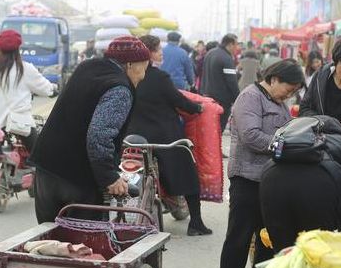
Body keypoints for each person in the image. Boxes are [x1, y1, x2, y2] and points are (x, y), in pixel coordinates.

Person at [31, 36, 151, 224]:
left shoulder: (86, 68)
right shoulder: (119, 88)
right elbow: (99, 137)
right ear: (130, 64)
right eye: (144, 67)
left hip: (46, 169)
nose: (144, 75)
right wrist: (110, 178)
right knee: (83, 246)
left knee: (49, 240)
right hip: (77, 178)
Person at [217, 59, 303, 268]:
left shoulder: (277, 101)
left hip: (269, 180)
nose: (290, 94)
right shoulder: (250, 97)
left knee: (267, 237)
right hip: (247, 179)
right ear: (274, 78)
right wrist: (285, 147)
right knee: (239, 238)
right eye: (289, 88)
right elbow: (251, 136)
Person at [126, 35, 211, 236]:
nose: (161, 53)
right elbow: (179, 100)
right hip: (164, 137)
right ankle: (196, 224)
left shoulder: (126, 75)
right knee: (188, 174)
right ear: (149, 53)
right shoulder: (159, 77)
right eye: (158, 50)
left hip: (133, 136)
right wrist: (197, 107)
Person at [260, 116, 341, 252]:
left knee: (283, 253)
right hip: (320, 183)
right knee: (317, 253)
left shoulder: (287, 141)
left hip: (271, 178)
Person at [0, 30, 56, 153]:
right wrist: (53, 90)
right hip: (19, 123)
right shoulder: (25, 69)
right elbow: (45, 88)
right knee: (37, 153)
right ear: (17, 49)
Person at [201, 34, 240, 132]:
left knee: (209, 129)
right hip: (221, 100)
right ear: (230, 44)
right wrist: (238, 99)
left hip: (206, 96)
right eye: (236, 45)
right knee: (218, 129)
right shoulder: (226, 58)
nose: (237, 48)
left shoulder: (210, 53)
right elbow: (232, 82)